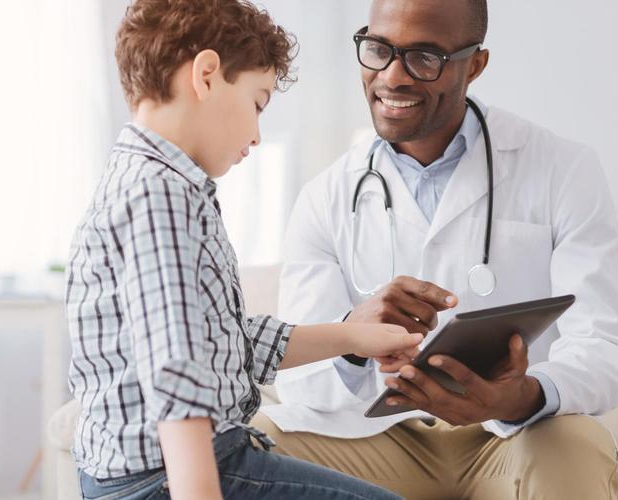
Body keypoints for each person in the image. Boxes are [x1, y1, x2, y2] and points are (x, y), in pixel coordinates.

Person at [253, 0, 618, 498]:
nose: (393, 76)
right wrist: (351, 339)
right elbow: (301, 384)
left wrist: (519, 396)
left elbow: (606, 348)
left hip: (508, 436)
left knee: (577, 444)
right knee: (254, 444)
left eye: (425, 57)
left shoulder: (562, 170)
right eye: (378, 49)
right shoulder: (325, 196)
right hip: (379, 442)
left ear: (474, 65)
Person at [66, 1, 421, 498]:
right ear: (207, 75)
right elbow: (177, 374)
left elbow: (225, 342)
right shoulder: (158, 196)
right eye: (258, 102)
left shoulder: (151, 185)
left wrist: (353, 338)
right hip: (168, 478)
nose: (256, 136)